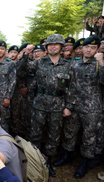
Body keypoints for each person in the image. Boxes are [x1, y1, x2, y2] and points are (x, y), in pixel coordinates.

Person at [52, 36, 104, 179]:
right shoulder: (75, 64)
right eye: (86, 47)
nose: (88, 49)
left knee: (89, 137)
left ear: (97, 49)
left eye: (93, 47)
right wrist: (68, 105)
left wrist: (102, 62)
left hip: (92, 108)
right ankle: (68, 156)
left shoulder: (99, 64)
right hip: (74, 106)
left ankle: (86, 162)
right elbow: (70, 87)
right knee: (70, 132)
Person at [28, 34, 74, 177]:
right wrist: (26, 54)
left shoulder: (68, 65)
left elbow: (72, 87)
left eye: (56, 44)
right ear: (46, 48)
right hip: (40, 104)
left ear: (61, 47)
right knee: (35, 134)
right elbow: (22, 70)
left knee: (53, 136)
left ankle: (48, 160)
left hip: (58, 105)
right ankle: (33, 161)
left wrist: (69, 106)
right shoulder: (39, 62)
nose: (53, 46)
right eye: (50, 45)